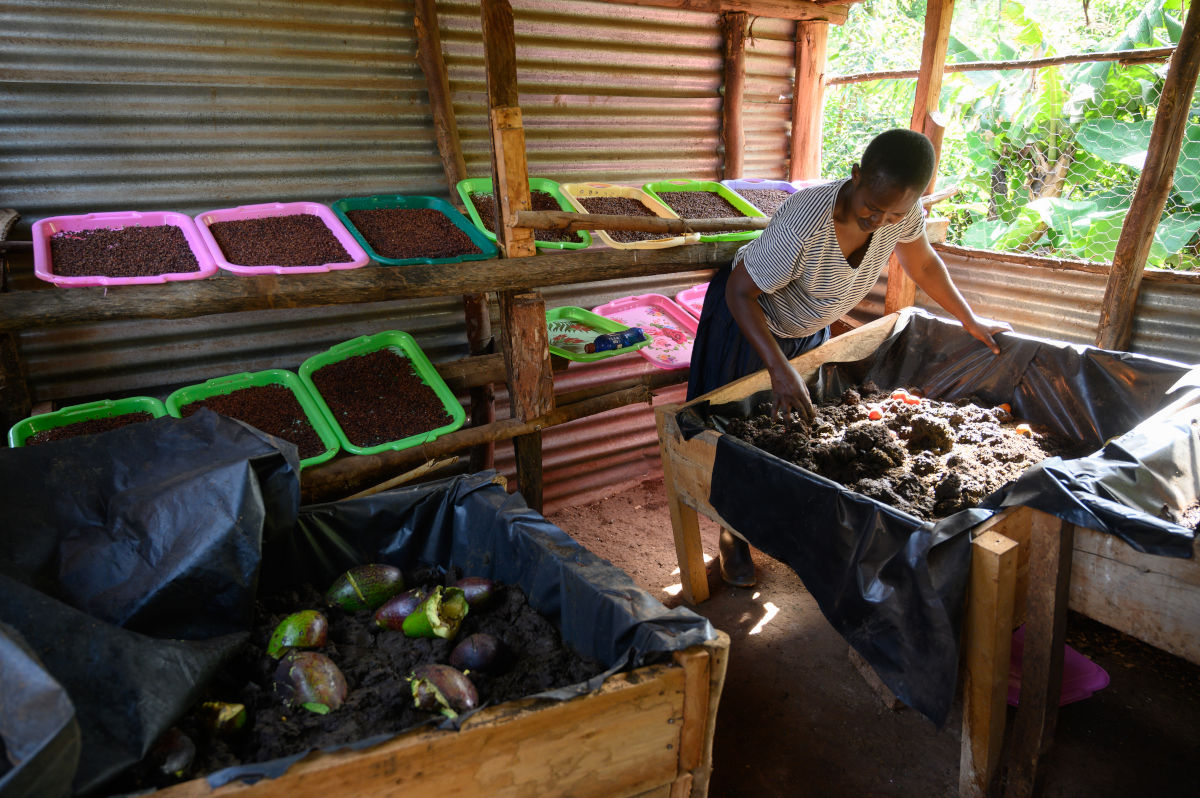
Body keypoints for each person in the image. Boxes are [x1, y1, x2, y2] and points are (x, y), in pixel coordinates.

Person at [688, 128, 1011, 587]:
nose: (881, 220)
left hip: (805, 328)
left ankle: (774, 521)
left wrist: (969, 319)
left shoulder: (901, 213)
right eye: (872, 208)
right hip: (751, 324)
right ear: (857, 175)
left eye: (895, 212)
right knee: (735, 437)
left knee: (788, 431)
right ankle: (731, 534)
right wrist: (778, 367)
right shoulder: (807, 220)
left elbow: (922, 264)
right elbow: (741, 292)